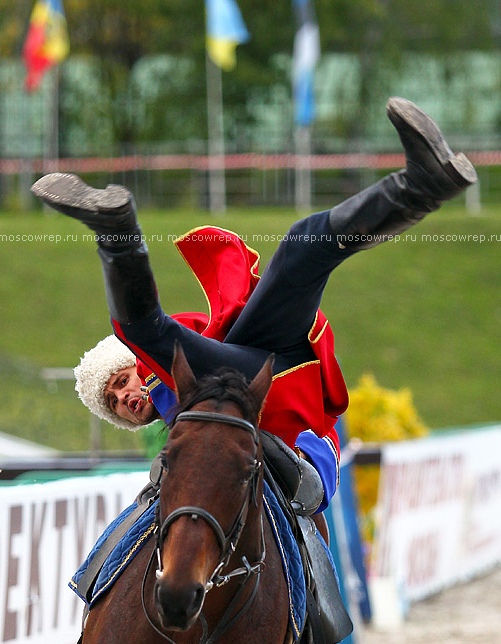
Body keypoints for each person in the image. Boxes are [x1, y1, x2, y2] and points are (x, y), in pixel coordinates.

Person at [32, 97, 476, 512]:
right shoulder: (180, 425)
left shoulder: (178, 368)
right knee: (145, 332)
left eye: (122, 381)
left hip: (265, 361)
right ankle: (115, 227)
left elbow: (157, 342)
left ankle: (422, 184)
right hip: (278, 402)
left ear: (140, 366)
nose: (126, 396)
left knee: (303, 245)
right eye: (114, 403)